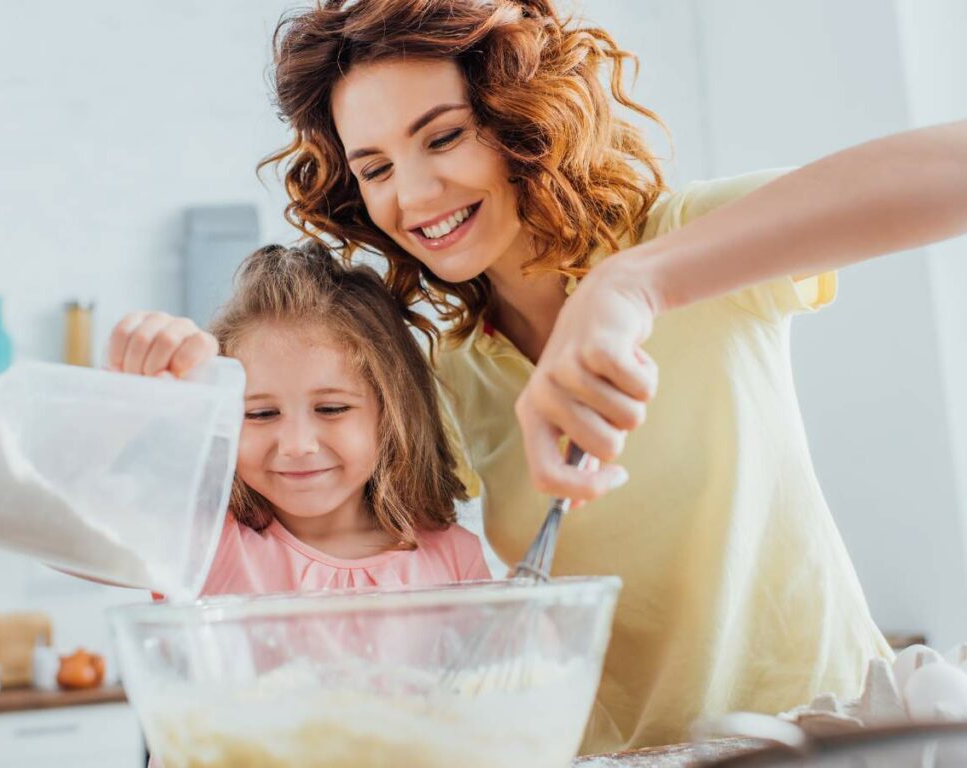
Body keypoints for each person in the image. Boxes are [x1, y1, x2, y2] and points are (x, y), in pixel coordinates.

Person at [109, 0, 967, 751]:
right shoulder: (451, 373)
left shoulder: (683, 246)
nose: (412, 193)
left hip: (809, 734)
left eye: (443, 136)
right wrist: (184, 417)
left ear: (519, 118)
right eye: (374, 168)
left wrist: (633, 284)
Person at [125, 241, 491, 599]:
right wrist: (130, 401)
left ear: (393, 411)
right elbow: (74, 535)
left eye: (331, 409)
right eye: (261, 414)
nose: (297, 445)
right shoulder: (199, 546)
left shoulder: (456, 560)